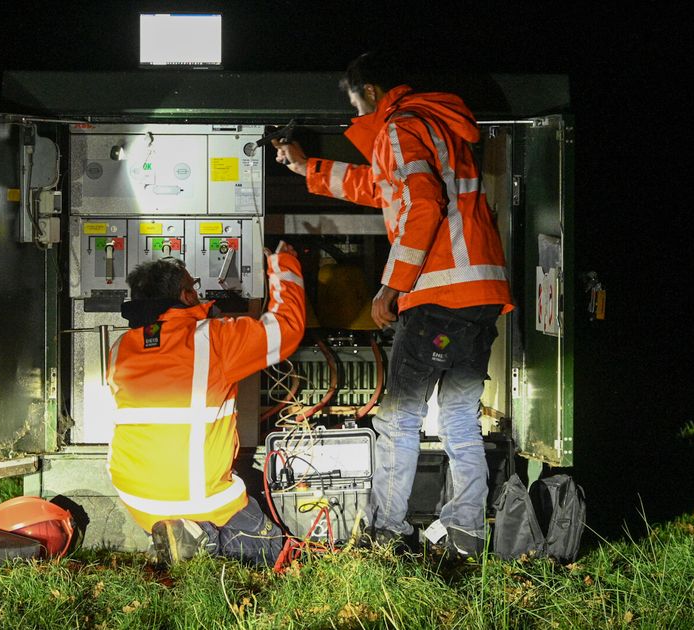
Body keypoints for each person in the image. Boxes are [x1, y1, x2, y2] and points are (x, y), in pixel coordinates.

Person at [273, 51, 513, 560]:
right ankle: (466, 534)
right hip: (480, 297)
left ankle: (385, 533)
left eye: (355, 102)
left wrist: (390, 287)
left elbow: (421, 204)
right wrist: (307, 167)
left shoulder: (401, 126)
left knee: (400, 419)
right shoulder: (438, 125)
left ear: (372, 91)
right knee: (459, 419)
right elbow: (381, 187)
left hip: (439, 298)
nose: (355, 113)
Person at [105, 243, 305, 566]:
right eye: (194, 287)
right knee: (272, 548)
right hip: (197, 498)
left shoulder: (120, 347)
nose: (198, 294)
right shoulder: (213, 339)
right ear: (186, 296)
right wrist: (284, 265)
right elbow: (286, 329)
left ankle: (179, 536)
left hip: (139, 500)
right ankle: (202, 538)